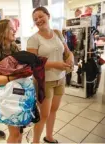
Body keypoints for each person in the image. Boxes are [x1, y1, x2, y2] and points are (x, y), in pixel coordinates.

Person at [27, 7, 74, 143]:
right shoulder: (33, 39)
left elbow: (67, 52)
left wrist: (70, 58)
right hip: (44, 81)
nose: (38, 20)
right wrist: (56, 64)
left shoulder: (58, 33)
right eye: (35, 19)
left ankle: (49, 136)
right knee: (44, 115)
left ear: (48, 16)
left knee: (54, 110)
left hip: (60, 79)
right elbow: (34, 64)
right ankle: (35, 141)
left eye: (41, 16)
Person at [0, 19, 27, 143]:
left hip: (20, 94)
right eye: (11, 28)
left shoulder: (15, 47)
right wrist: (16, 75)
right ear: (2, 32)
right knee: (14, 133)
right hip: (8, 97)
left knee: (20, 130)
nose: (14, 30)